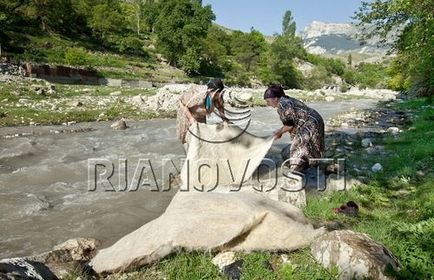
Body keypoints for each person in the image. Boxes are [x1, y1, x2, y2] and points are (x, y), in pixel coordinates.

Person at [264, 85, 325, 172]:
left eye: (268, 101)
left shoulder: (283, 104)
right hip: (314, 120)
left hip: (310, 123)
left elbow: (289, 125)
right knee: (309, 147)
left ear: (275, 98)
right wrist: (280, 132)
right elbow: (291, 124)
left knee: (297, 149)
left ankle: (296, 173)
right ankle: (312, 167)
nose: (267, 104)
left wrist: (279, 132)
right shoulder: (284, 101)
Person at [176, 78, 227, 151]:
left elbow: (220, 107)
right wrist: (190, 118)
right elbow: (181, 102)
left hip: (200, 115)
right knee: (189, 140)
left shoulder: (218, 95)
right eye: (216, 94)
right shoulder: (198, 94)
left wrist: (225, 120)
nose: (217, 97)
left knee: (201, 137)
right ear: (210, 91)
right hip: (187, 115)